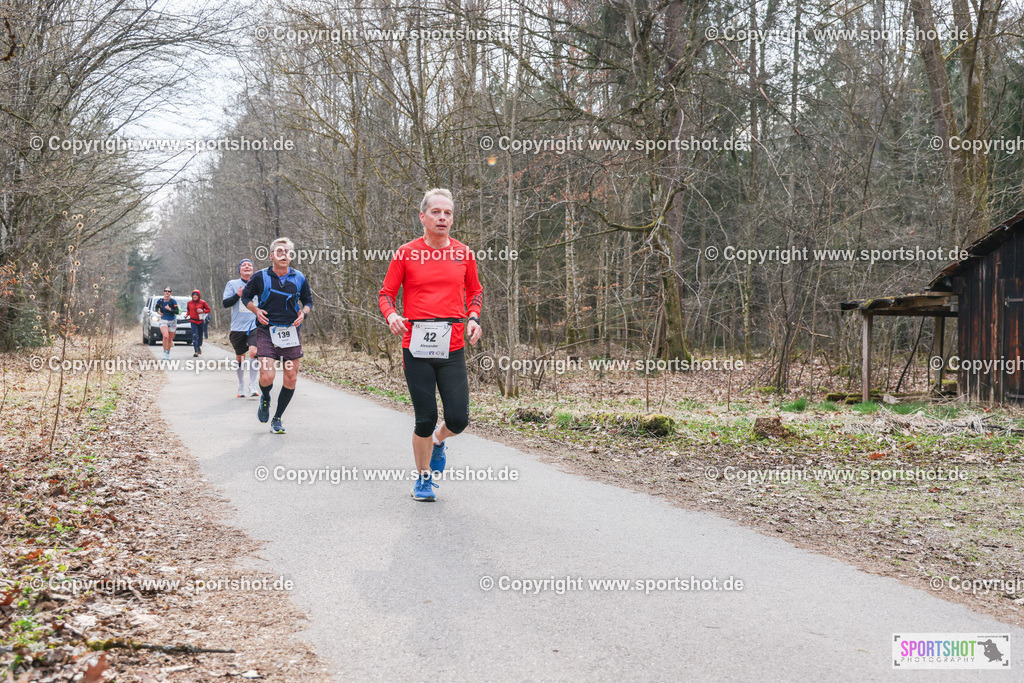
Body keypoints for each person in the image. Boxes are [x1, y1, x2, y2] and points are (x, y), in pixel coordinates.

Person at [379, 188, 483, 502]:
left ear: (452, 219)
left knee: (458, 420)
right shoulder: (406, 252)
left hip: (452, 348)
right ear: (423, 216)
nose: (442, 218)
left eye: (447, 213)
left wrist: (474, 318)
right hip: (417, 349)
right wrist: (392, 314)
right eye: (436, 212)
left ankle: (440, 440)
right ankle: (423, 479)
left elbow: (475, 292)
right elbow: (386, 294)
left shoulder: (463, 253)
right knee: (424, 418)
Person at [241, 237, 313, 434]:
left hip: (290, 332)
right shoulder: (260, 277)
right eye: (279, 251)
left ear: (291, 256)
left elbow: (308, 300)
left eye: (287, 251)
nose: (284, 254)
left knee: (291, 378)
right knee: (267, 375)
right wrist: (256, 310)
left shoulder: (299, 277)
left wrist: (304, 313)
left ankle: (278, 418)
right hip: (266, 331)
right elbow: (246, 297)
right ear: (271, 255)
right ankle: (265, 397)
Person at [223, 259, 260, 397]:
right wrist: (237, 295)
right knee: (240, 357)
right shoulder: (232, 284)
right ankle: (241, 385)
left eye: (249, 265)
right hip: (238, 327)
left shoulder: (258, 284)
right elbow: (225, 303)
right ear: (239, 270)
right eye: (243, 265)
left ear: (252, 270)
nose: (247, 266)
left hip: (254, 325)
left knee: (254, 352)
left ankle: (252, 384)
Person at [156, 287, 180, 360]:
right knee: (165, 336)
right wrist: (158, 311)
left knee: (170, 339)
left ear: (171, 293)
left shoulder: (173, 301)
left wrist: (170, 309)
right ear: (163, 292)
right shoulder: (160, 301)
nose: (167, 292)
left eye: (169, 291)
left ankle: (168, 352)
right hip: (163, 320)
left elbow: (177, 312)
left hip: (172, 321)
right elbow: (156, 308)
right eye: (166, 291)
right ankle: (164, 352)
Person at [186, 289, 211, 357]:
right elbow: (188, 310)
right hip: (193, 321)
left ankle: (198, 346)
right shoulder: (189, 303)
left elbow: (208, 309)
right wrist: (187, 315)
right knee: (194, 335)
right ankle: (195, 351)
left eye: (196, 295)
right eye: (194, 295)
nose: (195, 296)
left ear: (198, 296)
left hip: (200, 321)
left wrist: (203, 310)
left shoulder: (202, 302)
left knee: (200, 336)